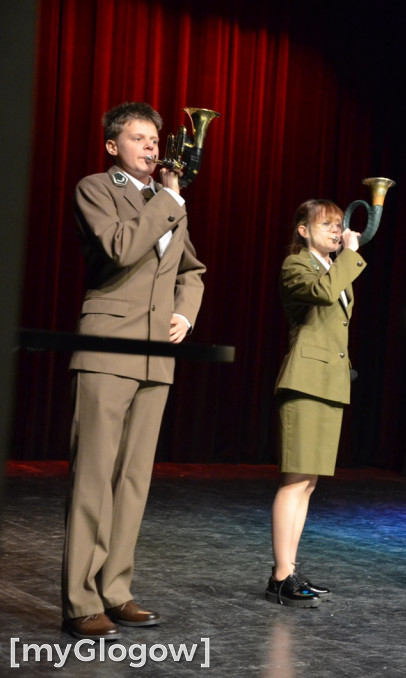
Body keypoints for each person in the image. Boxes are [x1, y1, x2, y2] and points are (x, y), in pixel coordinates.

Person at [63, 102, 205, 639]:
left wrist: (185, 313)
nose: (151, 146)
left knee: (133, 482)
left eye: (155, 138)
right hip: (107, 347)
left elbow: (193, 270)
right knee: (94, 479)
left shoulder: (166, 203)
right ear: (112, 146)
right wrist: (168, 199)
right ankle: (80, 601)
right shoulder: (96, 188)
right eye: (139, 138)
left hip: (155, 356)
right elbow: (121, 248)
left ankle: (115, 590)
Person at [266, 199, 364, 608]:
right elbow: (323, 295)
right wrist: (352, 256)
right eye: (326, 224)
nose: (336, 231)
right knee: (294, 480)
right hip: (305, 381)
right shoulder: (297, 266)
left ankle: (288, 569)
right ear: (304, 230)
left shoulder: (334, 268)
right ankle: (280, 573)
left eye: (339, 225)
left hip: (330, 383)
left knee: (308, 483)